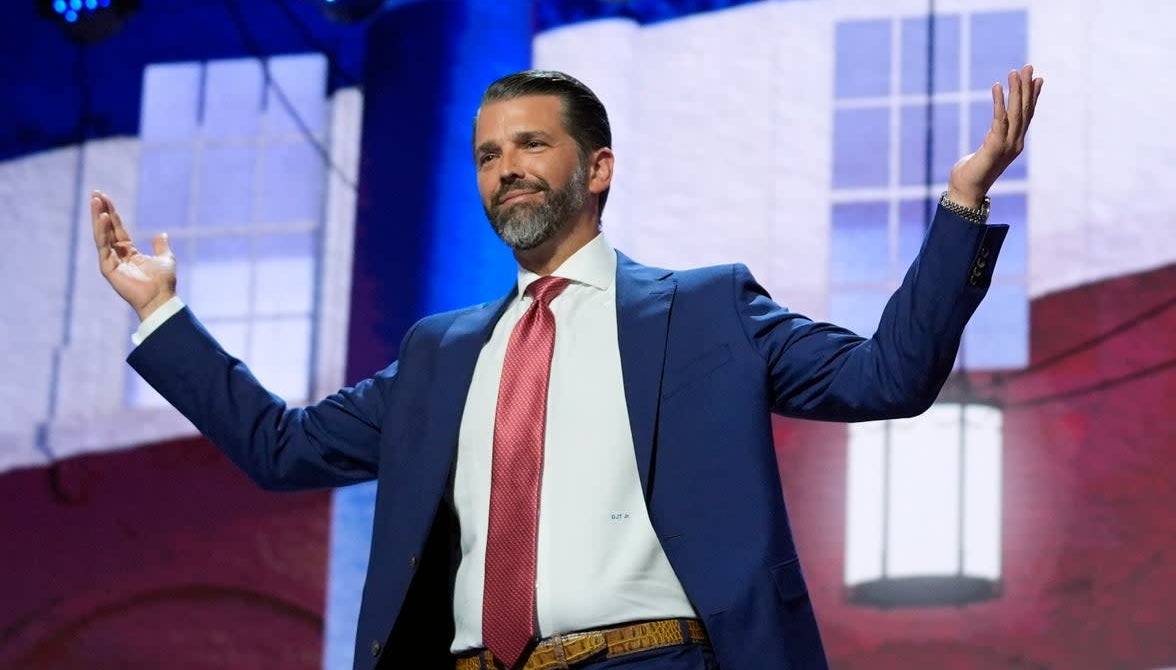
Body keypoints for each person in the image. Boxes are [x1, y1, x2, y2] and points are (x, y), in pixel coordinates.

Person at [91, 64, 1043, 670]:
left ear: (598, 169)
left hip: (653, 660)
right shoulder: (440, 354)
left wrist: (963, 203)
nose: (505, 168)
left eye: (531, 145)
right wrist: (160, 312)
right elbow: (282, 449)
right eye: (486, 155)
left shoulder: (706, 311)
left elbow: (888, 377)